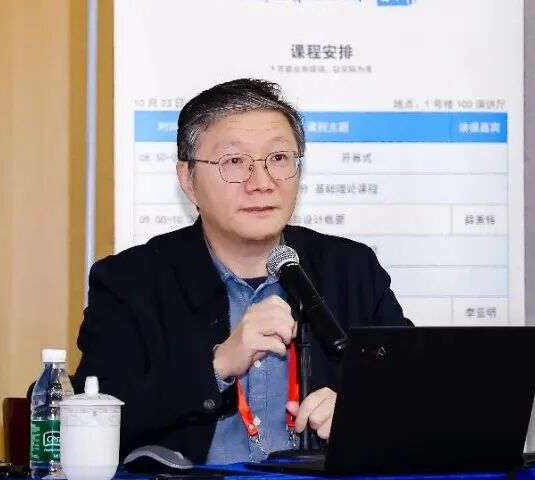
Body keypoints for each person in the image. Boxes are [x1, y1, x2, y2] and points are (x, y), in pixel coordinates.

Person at [73, 78, 408, 464]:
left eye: (279, 159)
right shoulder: (130, 283)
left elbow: (414, 395)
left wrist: (362, 414)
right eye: (234, 162)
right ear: (188, 180)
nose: (262, 183)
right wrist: (215, 367)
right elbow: (92, 422)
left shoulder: (352, 271)